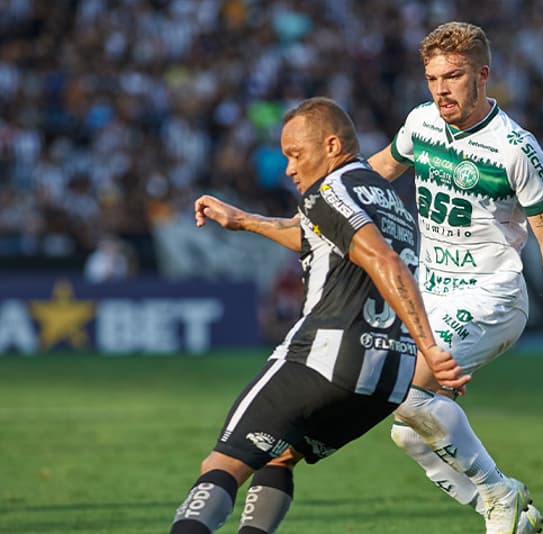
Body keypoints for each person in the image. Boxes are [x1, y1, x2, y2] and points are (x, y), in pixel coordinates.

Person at [169, 97, 470, 534]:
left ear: (331, 145)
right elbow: (317, 234)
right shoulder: (388, 198)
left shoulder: (329, 191)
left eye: (295, 154)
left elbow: (383, 262)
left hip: (325, 357)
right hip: (384, 379)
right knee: (279, 455)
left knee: (223, 464)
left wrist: (432, 349)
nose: (289, 168)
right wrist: (244, 219)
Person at [366, 21, 543, 534]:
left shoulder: (515, 147)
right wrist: (325, 195)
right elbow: (380, 169)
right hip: (430, 295)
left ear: (482, 75)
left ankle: (500, 495)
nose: (441, 88)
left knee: (410, 394)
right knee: (407, 429)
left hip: (494, 295)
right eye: (433, 77)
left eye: (454, 76)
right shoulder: (420, 123)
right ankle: (502, 504)